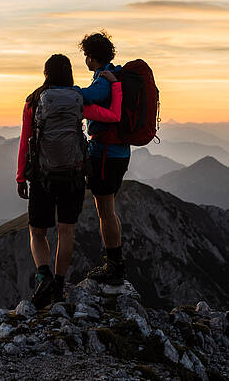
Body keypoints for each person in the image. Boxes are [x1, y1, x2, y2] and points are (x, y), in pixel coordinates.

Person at [17, 53, 122, 308]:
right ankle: (60, 285)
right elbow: (113, 116)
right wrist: (116, 86)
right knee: (66, 232)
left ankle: (43, 275)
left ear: (46, 74)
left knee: (38, 232)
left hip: (42, 177)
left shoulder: (34, 101)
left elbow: (25, 141)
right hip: (73, 176)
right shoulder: (78, 101)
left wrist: (21, 175)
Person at [77, 30, 130, 285]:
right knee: (109, 210)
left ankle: (114, 265)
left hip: (105, 154)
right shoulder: (115, 74)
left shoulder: (103, 80)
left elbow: (87, 96)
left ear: (91, 57)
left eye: (87, 55)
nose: (85, 60)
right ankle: (115, 260)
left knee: (105, 211)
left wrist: (65, 88)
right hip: (119, 152)